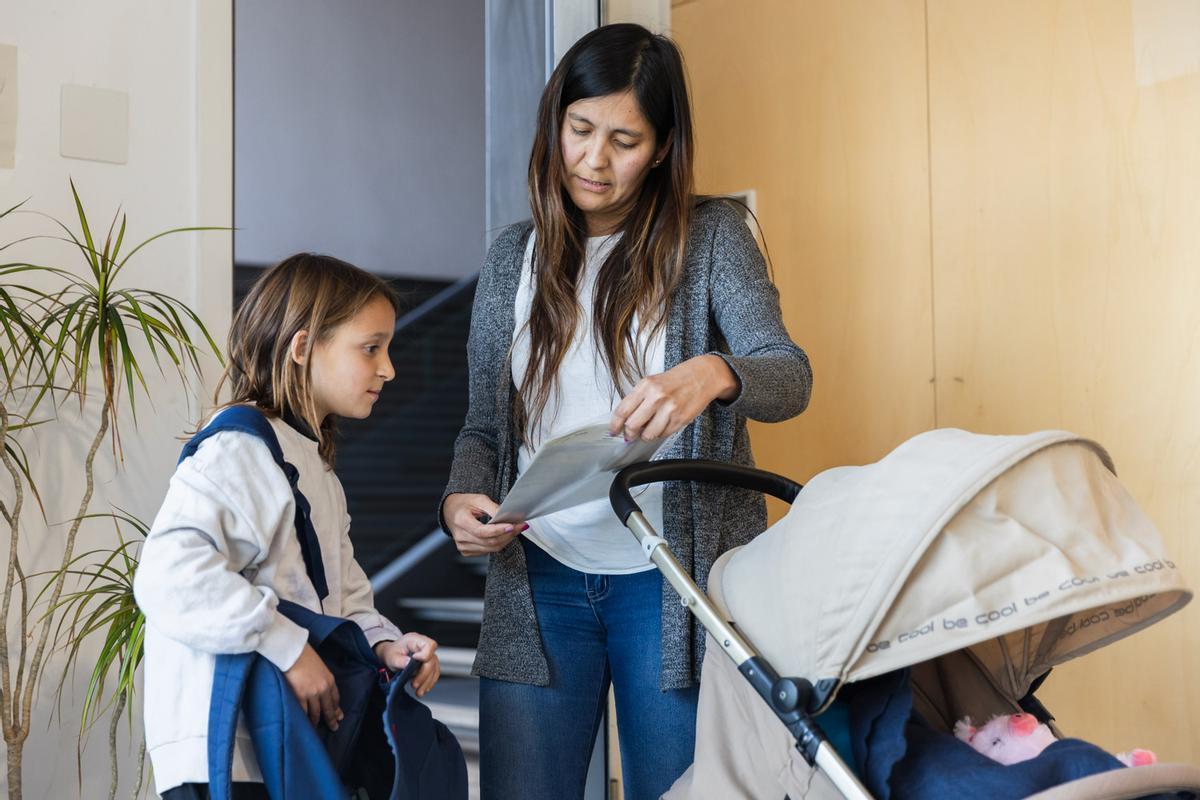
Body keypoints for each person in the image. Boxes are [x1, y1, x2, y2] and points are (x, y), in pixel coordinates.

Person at [440, 23, 812, 800]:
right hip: (538, 578)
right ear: (555, 125)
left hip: (671, 582)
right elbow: (483, 427)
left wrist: (713, 372)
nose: (595, 161)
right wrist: (460, 499)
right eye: (579, 130)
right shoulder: (514, 255)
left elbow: (789, 376)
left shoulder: (711, 240)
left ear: (663, 147)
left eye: (624, 140)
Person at [134, 254, 441, 799]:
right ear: (303, 348)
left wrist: (387, 646)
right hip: (223, 747)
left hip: (277, 742)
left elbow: (343, 600)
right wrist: (289, 648)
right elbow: (168, 574)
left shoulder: (315, 467)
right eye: (371, 348)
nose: (389, 368)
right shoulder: (239, 450)